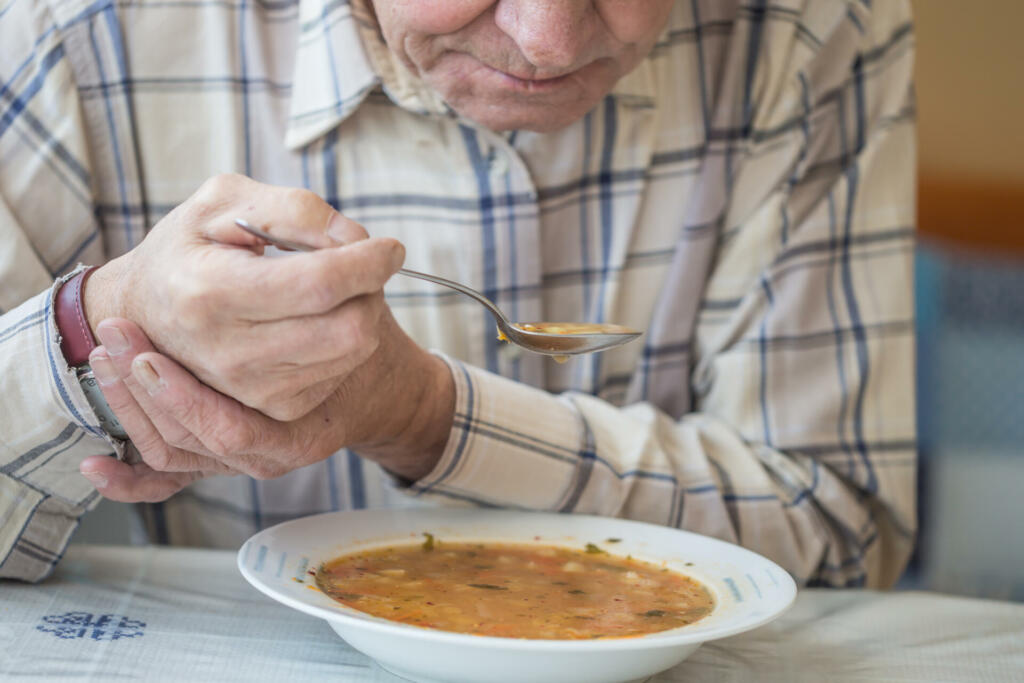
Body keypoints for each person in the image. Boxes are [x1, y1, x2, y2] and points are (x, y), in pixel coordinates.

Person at [0, 0, 916, 586]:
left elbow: (842, 534)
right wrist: (90, 326)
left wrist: (425, 413)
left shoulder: (811, 31)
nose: (546, 40)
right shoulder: (71, 32)